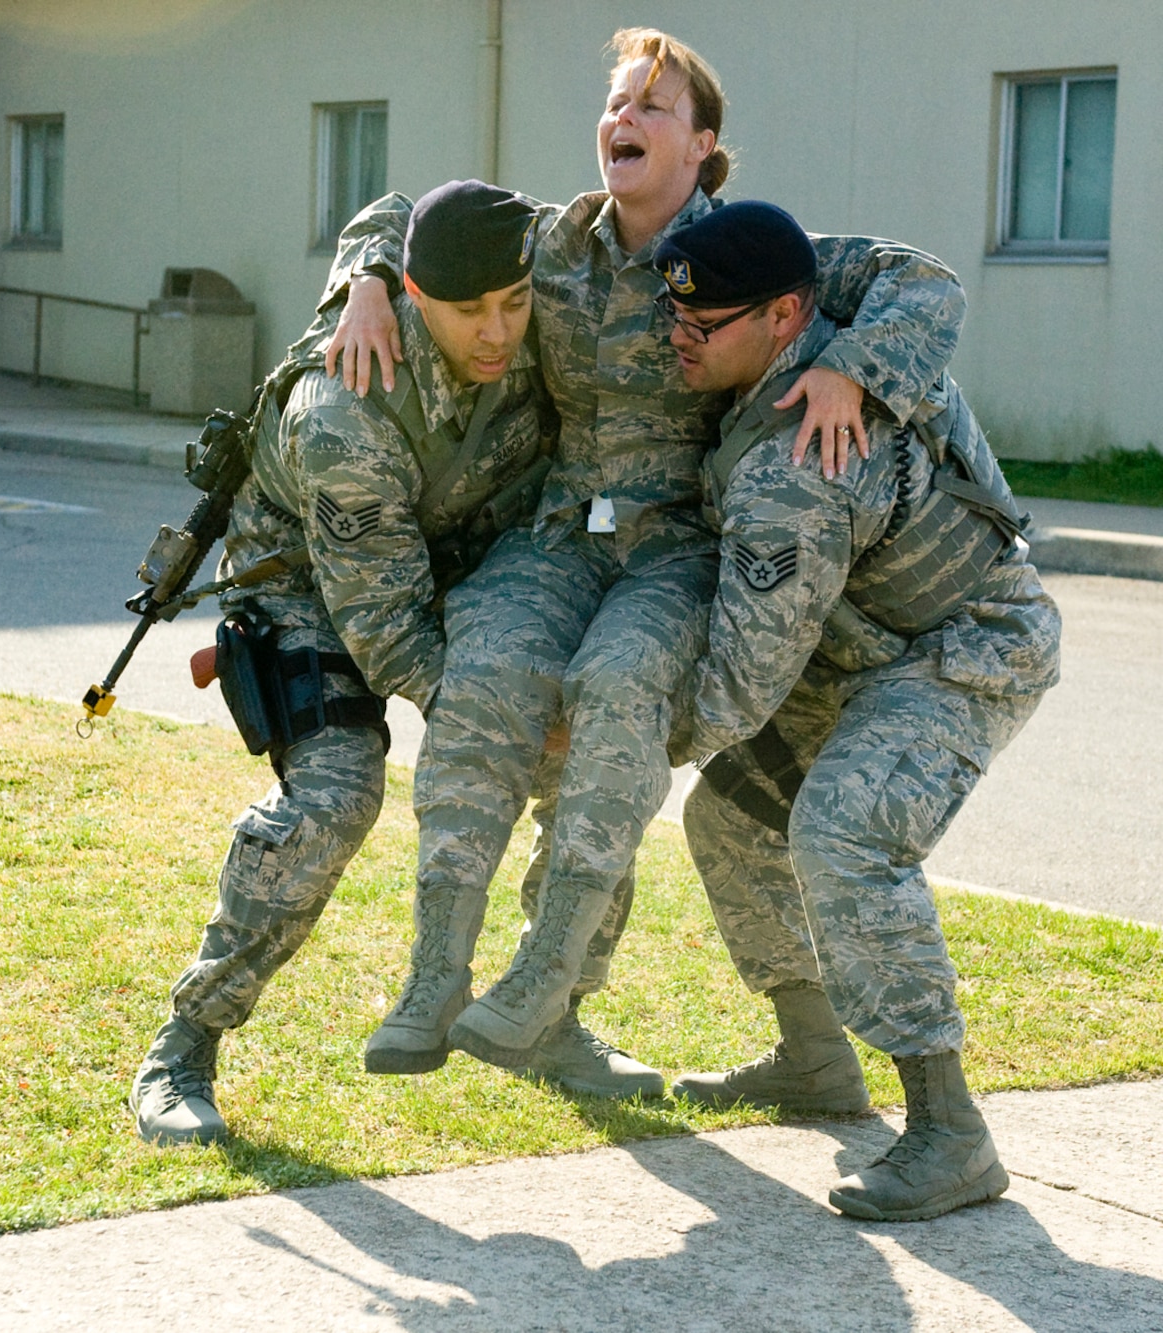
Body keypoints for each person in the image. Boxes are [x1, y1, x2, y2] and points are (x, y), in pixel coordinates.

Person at [319, 28, 965, 1076]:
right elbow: (406, 217)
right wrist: (358, 283)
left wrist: (852, 368)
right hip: (560, 530)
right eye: (615, 102)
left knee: (618, 686)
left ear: (700, 144)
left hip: (675, 545)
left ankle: (548, 977)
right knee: (484, 672)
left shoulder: (743, 250)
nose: (622, 119)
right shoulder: (550, 243)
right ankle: (434, 974)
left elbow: (925, 283)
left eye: (651, 107)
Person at [132, 182, 639, 1147]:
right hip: (315, 583)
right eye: (468, 311)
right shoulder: (345, 411)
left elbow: (410, 203)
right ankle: (184, 1041)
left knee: (596, 755)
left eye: (514, 303)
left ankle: (557, 1014)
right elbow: (393, 631)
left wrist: (363, 267)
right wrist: (503, 712)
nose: (499, 333)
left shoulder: (515, 283)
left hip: (465, 559)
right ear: (414, 294)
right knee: (337, 791)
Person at [651, 201, 1059, 1222]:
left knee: (842, 835)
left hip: (964, 646)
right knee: (730, 819)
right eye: (673, 316)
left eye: (705, 326)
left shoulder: (799, 468)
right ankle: (813, 1058)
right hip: (865, 650)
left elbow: (740, 683)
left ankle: (949, 1131)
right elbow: (901, 267)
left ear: (784, 315)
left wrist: (614, 746)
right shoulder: (808, 296)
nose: (677, 338)